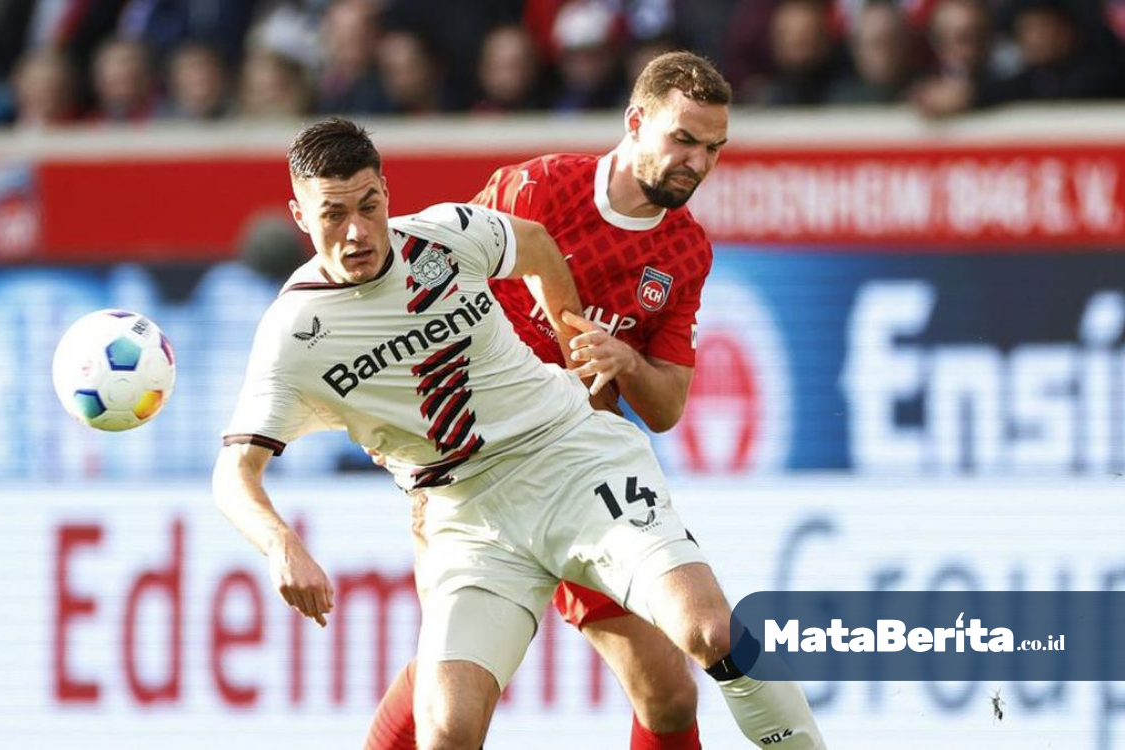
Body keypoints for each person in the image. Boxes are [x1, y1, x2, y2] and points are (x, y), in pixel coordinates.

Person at [214, 117, 826, 750]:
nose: (357, 232)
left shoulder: (447, 235)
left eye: (369, 206)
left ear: (387, 193)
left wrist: (574, 354)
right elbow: (234, 475)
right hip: (469, 513)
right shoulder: (294, 333)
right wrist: (281, 545)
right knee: (448, 731)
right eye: (333, 215)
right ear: (300, 215)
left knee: (707, 637)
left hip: (571, 461)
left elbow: (535, 246)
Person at [367, 50, 731, 750]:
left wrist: (627, 360)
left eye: (713, 148)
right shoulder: (536, 189)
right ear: (635, 122)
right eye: (683, 139)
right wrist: (394, 416)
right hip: (477, 472)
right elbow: (420, 285)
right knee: (453, 704)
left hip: (579, 480)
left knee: (670, 695)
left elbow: (665, 408)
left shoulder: (686, 251)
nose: (697, 162)